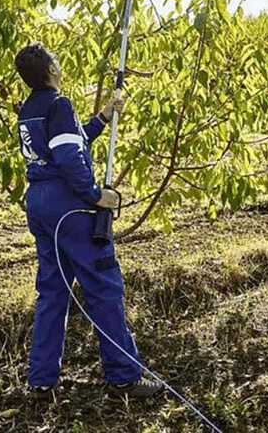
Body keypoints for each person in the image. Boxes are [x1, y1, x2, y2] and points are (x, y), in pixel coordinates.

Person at [14, 42, 163, 399]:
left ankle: (41, 381)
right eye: (57, 61)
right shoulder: (59, 104)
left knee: (52, 292)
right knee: (103, 287)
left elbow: (68, 142)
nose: (60, 66)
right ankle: (124, 376)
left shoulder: (30, 110)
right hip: (69, 205)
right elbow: (68, 157)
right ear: (51, 70)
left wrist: (102, 118)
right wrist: (96, 195)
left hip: (39, 203)